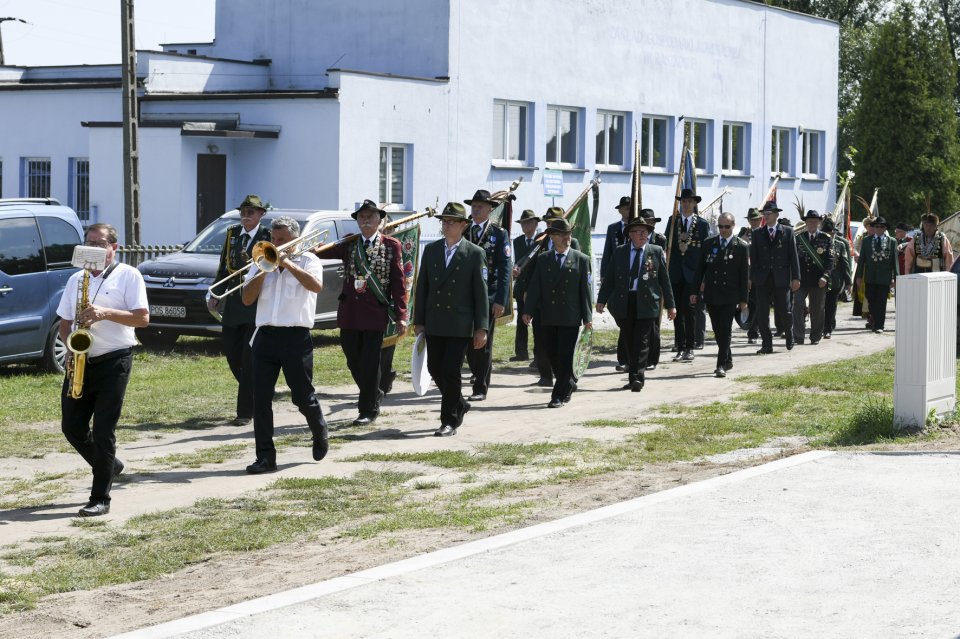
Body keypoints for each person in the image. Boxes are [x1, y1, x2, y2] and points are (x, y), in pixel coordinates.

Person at [58, 223, 149, 517]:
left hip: (114, 358)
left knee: (103, 430)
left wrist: (105, 313)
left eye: (100, 244)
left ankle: (100, 498)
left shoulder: (128, 275)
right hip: (81, 360)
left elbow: (142, 319)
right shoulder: (76, 279)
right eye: (89, 242)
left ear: (114, 248)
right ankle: (109, 464)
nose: (94, 248)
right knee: (71, 427)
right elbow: (63, 322)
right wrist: (71, 348)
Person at [241, 216, 328, 473]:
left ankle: (318, 427)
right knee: (261, 399)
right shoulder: (261, 261)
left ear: (294, 239)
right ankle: (265, 457)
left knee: (302, 396)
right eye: (273, 239)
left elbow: (316, 286)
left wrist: (287, 262)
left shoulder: (309, 260)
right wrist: (261, 269)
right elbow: (247, 299)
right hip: (265, 336)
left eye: (281, 240)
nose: (275, 244)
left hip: (295, 336)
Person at [326, 200, 407, 426]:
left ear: (380, 220)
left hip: (374, 314)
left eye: (371, 217)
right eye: (362, 217)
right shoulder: (350, 244)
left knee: (371, 363)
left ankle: (368, 410)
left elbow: (398, 283)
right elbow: (323, 253)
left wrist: (401, 314)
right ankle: (374, 393)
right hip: (350, 313)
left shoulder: (391, 246)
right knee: (353, 359)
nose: (366, 221)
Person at [414, 202, 489, 437]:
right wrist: (420, 320)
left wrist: (482, 327)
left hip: (460, 323)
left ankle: (449, 420)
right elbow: (422, 287)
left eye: (452, 222)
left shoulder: (475, 253)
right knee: (434, 367)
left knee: (451, 369)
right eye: (444, 222)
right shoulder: (432, 250)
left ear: (463, 225)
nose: (446, 226)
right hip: (436, 321)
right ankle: (460, 403)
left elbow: (481, 293)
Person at [207, 194, 271, 426]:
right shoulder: (232, 234)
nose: (246, 217)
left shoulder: (268, 236)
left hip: (256, 305)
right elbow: (224, 267)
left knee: (249, 357)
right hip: (234, 304)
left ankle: (245, 411)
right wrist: (215, 293)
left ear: (261, 215)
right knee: (233, 355)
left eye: (250, 213)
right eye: (243, 213)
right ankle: (256, 391)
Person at [596, 216, 676, 391]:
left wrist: (671, 305)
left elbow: (664, 280)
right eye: (638, 232)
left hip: (647, 302)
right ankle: (633, 377)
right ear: (630, 234)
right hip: (625, 301)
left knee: (642, 340)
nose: (643, 235)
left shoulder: (655, 251)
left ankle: (638, 377)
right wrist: (601, 300)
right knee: (629, 340)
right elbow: (609, 279)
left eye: (645, 232)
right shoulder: (620, 252)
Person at [522, 218, 593, 407]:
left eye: (568, 234)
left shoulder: (581, 259)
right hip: (548, 314)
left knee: (566, 355)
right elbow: (535, 285)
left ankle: (558, 395)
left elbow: (585, 291)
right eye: (562, 234)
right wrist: (528, 309)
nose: (567, 238)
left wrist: (588, 318)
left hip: (570, 316)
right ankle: (568, 383)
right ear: (553, 237)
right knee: (550, 353)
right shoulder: (544, 258)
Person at [525, 206, 581, 387]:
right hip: (543, 303)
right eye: (548, 222)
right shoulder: (540, 244)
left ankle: (568, 378)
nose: (550, 225)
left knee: (565, 347)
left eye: (553, 222)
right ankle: (546, 375)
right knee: (542, 343)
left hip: (564, 305)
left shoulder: (573, 244)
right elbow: (533, 274)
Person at [464, 189, 511, 402]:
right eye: (473, 206)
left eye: (480, 206)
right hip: (463, 296)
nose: (475, 209)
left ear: (490, 209)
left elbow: (504, 269)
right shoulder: (463, 230)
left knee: (483, 342)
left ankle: (480, 386)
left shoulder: (498, 234)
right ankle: (476, 373)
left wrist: (501, 299)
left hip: (488, 295)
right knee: (466, 342)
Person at [692, 212, 748, 377]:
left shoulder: (741, 246)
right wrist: (694, 291)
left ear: (733, 226)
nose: (723, 230)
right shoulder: (709, 243)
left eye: (727, 227)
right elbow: (700, 269)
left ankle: (720, 365)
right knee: (718, 330)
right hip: (712, 293)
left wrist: (743, 299)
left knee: (725, 329)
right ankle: (728, 358)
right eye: (721, 226)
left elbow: (744, 275)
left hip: (730, 295)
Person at [664, 188, 710, 362]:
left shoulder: (703, 224)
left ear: (695, 203)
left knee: (690, 311)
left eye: (690, 201)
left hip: (693, 275)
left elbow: (706, 254)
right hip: (675, 273)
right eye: (683, 201)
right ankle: (680, 345)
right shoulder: (673, 221)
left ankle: (690, 347)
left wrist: (704, 278)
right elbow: (668, 247)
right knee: (676, 312)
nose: (686, 204)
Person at [750, 201, 800, 353]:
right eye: (765, 213)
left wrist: (796, 277)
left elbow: (793, 256)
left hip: (781, 277)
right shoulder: (757, 233)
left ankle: (789, 333)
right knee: (762, 313)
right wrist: (751, 278)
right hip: (763, 278)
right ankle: (767, 344)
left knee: (785, 310)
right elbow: (754, 258)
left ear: (777, 215)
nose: (766, 215)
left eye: (769, 213)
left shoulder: (787, 231)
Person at [793, 210, 836, 346]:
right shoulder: (799, 238)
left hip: (818, 280)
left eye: (814, 221)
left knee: (817, 309)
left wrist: (825, 276)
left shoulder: (826, 239)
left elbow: (830, 260)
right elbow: (793, 260)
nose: (812, 223)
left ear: (819, 223)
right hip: (801, 279)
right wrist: (794, 278)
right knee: (798, 306)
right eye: (809, 221)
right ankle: (798, 336)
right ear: (805, 223)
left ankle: (815, 336)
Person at [601, 196, 633, 372]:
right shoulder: (613, 229)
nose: (628, 211)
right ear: (620, 210)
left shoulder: (637, 229)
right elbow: (607, 252)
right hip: (615, 279)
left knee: (627, 322)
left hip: (632, 279)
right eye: (625, 208)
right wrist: (604, 275)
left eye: (630, 208)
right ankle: (626, 357)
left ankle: (625, 358)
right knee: (621, 318)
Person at [854, 216, 898, 333]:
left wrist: (895, 278)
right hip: (870, 277)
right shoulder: (867, 241)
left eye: (881, 227)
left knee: (881, 302)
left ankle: (879, 325)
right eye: (876, 226)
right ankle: (874, 319)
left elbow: (895, 262)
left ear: (885, 229)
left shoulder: (892, 241)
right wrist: (858, 277)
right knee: (871, 300)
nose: (879, 228)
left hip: (884, 278)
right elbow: (862, 259)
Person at [511, 209, 540, 363]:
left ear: (535, 224)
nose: (524, 226)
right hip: (522, 287)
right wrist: (516, 269)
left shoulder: (542, 240)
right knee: (521, 322)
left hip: (535, 287)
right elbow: (520, 261)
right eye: (522, 223)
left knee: (537, 322)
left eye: (528, 222)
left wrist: (530, 289)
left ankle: (538, 355)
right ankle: (521, 352)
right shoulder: (517, 241)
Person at [642, 209, 667, 371]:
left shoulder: (660, 239)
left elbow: (661, 261)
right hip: (640, 286)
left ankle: (653, 358)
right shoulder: (635, 236)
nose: (648, 224)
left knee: (654, 324)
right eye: (646, 221)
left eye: (651, 221)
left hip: (655, 284)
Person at [822, 217, 852, 339]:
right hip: (820, 280)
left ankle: (827, 329)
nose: (829, 235)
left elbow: (845, 264)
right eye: (827, 233)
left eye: (831, 232)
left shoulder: (840, 245)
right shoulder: (819, 243)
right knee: (820, 306)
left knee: (831, 305)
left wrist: (848, 282)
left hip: (835, 281)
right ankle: (822, 326)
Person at [742, 207, 764, 344]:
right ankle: (748, 326)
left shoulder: (763, 233)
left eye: (756, 219)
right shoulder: (744, 233)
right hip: (744, 273)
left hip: (758, 274)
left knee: (757, 303)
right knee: (746, 303)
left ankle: (754, 331)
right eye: (752, 220)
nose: (754, 222)